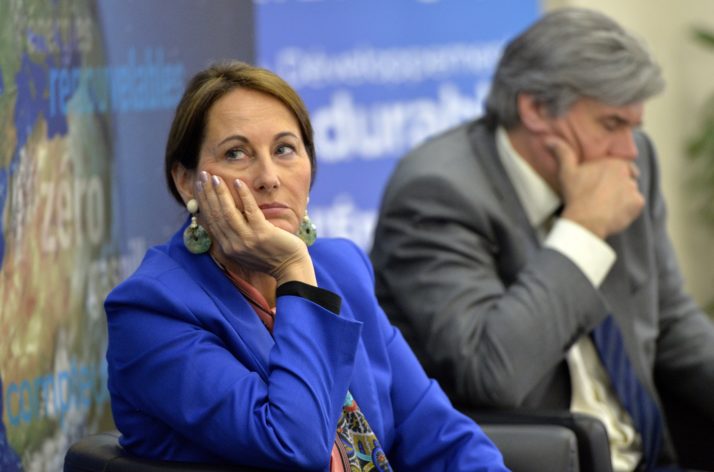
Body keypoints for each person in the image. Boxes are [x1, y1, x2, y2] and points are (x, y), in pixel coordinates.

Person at [103, 60, 507, 471]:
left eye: (284, 149)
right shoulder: (151, 312)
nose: (269, 177)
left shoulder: (341, 268)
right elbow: (295, 445)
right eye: (236, 153)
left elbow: (440, 433)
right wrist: (294, 271)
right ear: (186, 181)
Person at [370, 7, 714, 472]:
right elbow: (492, 375)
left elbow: (671, 325)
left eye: (635, 126)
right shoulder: (436, 194)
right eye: (611, 124)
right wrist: (583, 231)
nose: (629, 151)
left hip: (651, 456)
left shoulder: (629, 163)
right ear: (534, 110)